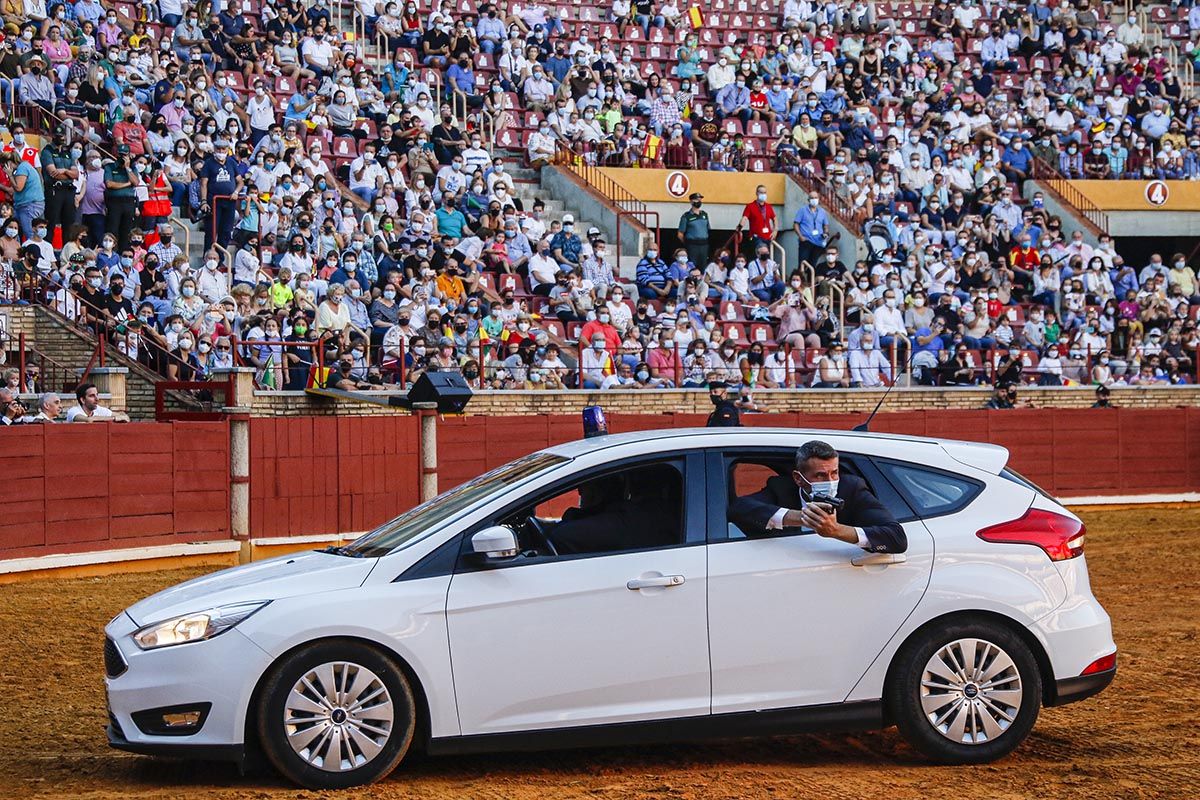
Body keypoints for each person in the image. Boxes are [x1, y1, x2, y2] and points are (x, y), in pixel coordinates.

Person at [728, 440, 907, 553]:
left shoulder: (852, 488)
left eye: (834, 473)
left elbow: (897, 539)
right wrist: (800, 517)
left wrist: (836, 530)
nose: (830, 480)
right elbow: (740, 508)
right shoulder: (781, 488)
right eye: (820, 475)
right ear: (798, 478)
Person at [677, 192, 710, 269]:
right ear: (691, 201)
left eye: (700, 199)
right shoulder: (686, 216)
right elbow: (680, 234)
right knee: (692, 266)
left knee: (704, 266)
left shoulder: (704, 214)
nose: (699, 201)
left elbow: (707, 229)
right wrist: (687, 243)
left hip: (704, 245)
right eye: (696, 199)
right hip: (692, 245)